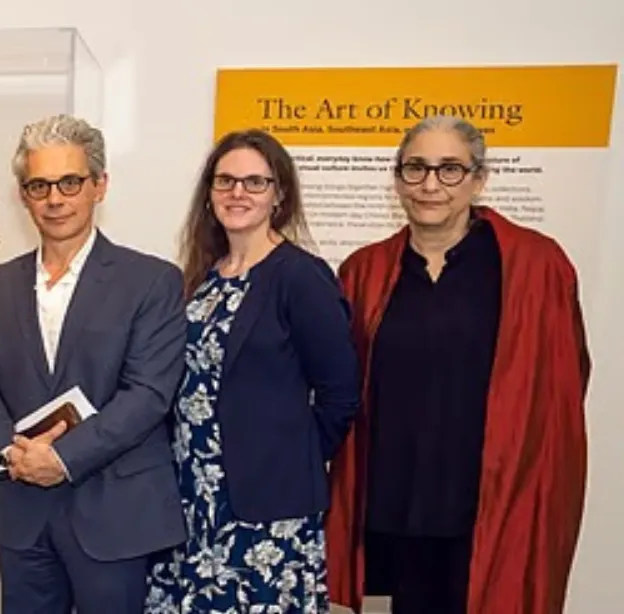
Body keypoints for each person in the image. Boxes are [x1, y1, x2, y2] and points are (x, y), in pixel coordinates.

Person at [325, 116, 591, 614]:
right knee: (379, 610)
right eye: (416, 168)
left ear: (479, 179)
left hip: (487, 514)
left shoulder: (535, 266)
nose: (430, 185)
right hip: (384, 517)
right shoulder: (364, 271)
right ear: (397, 179)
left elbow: (561, 385)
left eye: (450, 169)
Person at [0, 114, 187, 614]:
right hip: (23, 510)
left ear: (99, 186)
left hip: (114, 514)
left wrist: (62, 459)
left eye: (70, 182)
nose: (55, 199)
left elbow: (148, 393)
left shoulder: (152, 281)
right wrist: (11, 455)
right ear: (23, 196)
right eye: (39, 186)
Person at [144, 129, 360, 613]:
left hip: (266, 508)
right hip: (191, 499)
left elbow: (340, 393)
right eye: (225, 181)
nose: (237, 192)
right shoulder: (202, 276)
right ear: (209, 193)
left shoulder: (300, 276)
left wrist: (290, 459)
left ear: (279, 195)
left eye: (255, 182)